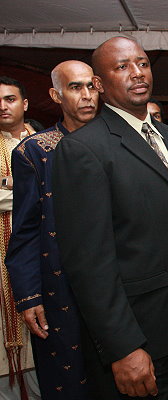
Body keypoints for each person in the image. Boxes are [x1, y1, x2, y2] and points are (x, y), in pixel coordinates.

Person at [51, 36, 168, 400]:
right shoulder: (82, 149)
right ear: (99, 83)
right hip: (137, 336)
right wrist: (123, 347)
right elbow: (88, 263)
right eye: (122, 66)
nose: (137, 72)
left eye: (142, 63)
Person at [5, 60, 99, 399]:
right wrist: (29, 294)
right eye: (75, 87)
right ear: (55, 95)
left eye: (91, 86)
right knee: (67, 378)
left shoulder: (118, 143)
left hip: (118, 280)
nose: (86, 95)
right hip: (59, 286)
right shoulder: (34, 150)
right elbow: (26, 229)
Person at [0, 76, 39, 400]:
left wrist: (12, 184)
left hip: (44, 252)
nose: (3, 106)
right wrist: (29, 188)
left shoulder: (44, 141)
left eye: (10, 99)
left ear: (24, 104)